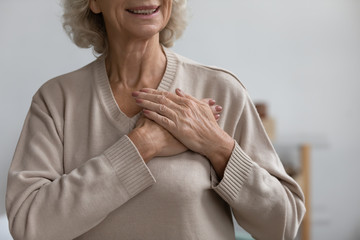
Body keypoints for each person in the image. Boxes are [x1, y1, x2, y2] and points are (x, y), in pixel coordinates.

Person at [5, 0, 305, 239]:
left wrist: (218, 147)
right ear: (93, 2)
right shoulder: (56, 100)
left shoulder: (221, 90)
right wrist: (141, 145)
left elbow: (283, 225)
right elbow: (29, 226)